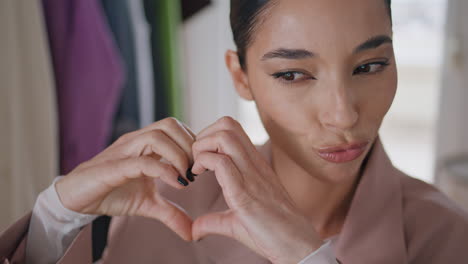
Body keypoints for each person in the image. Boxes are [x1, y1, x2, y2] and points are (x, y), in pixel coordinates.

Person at [2, 0, 468, 263]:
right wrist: (56, 216)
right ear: (240, 76)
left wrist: (304, 253)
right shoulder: (168, 207)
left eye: (370, 66)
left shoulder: (445, 236)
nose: (343, 115)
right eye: (293, 74)